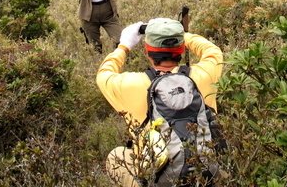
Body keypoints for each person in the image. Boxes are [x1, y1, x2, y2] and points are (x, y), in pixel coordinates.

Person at [96, 17, 224, 187]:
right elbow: (213, 51)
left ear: (147, 52)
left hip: (161, 177)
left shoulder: (130, 85)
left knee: (116, 157)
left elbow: (104, 74)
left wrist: (124, 45)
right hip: (208, 172)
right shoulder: (205, 74)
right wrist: (179, 34)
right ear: (181, 49)